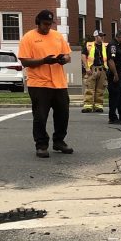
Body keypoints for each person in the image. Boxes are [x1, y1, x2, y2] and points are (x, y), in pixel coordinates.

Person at [18, 9, 74, 158]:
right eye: (44, 24)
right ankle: (41, 145)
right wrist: (43, 61)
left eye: (50, 24)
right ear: (38, 22)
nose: (47, 27)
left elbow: (68, 55)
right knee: (40, 116)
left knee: (63, 114)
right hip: (39, 84)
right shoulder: (28, 38)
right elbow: (24, 61)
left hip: (59, 83)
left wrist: (64, 59)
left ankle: (59, 141)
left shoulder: (57, 36)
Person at [106, 29, 121, 124]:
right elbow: (110, 60)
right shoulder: (113, 45)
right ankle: (112, 117)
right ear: (120, 36)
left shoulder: (120, 45)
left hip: (120, 73)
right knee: (114, 96)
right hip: (114, 74)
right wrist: (115, 74)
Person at [82, 29, 107, 112]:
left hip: (102, 69)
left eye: (103, 35)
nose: (102, 37)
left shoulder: (105, 46)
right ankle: (88, 106)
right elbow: (83, 56)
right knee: (89, 88)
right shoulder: (89, 45)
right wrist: (87, 68)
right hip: (92, 69)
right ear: (96, 36)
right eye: (100, 36)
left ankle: (98, 106)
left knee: (100, 89)